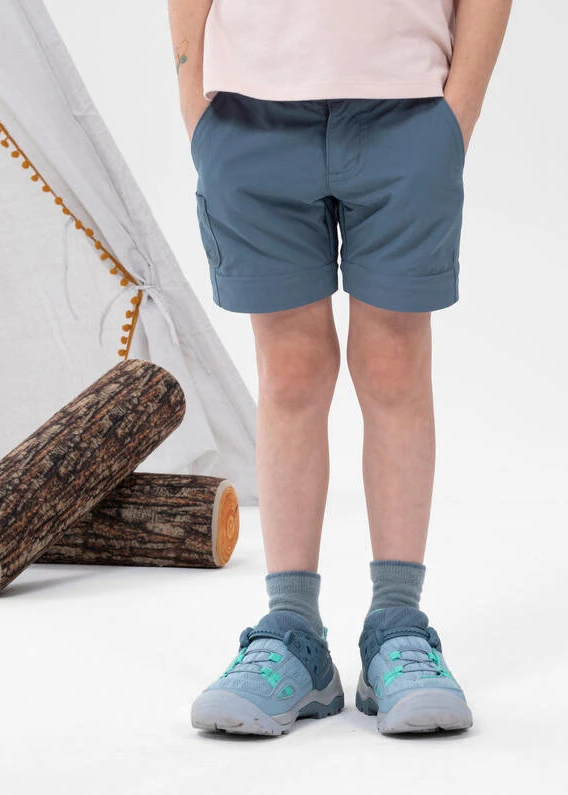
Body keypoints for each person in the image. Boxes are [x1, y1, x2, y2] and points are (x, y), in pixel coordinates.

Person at [168, 0, 512, 736]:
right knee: (290, 373)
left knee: (394, 366)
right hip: (249, 114)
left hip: (409, 110)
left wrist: (456, 116)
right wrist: (196, 101)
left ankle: (398, 625)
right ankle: (292, 633)